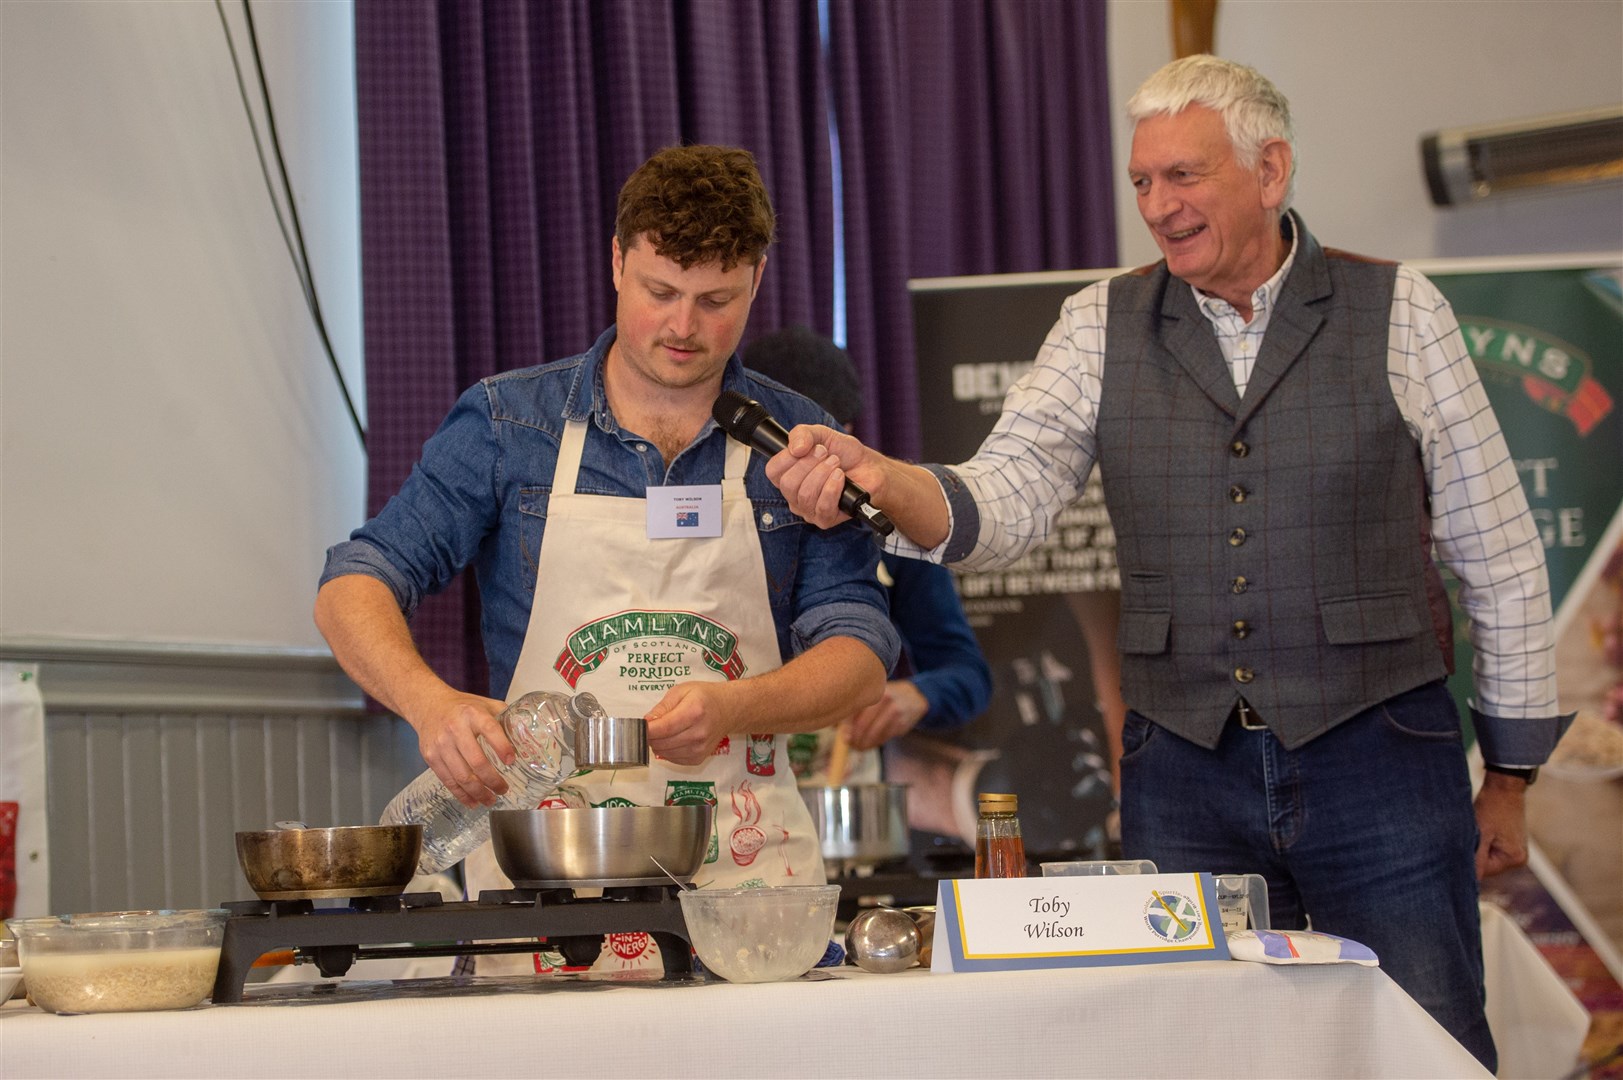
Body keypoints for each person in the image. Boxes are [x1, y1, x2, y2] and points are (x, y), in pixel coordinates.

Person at [764, 56, 1571, 1071]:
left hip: (1382, 763)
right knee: (1207, 1054)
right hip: (1182, 778)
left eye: (1184, 176)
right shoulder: (1098, 324)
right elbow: (1004, 499)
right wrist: (878, 478)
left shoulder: (1402, 312)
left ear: (1271, 169)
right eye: (1142, 182)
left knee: (1428, 1045)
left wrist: (1511, 774)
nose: (1157, 204)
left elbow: (1497, 551)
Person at [315, 146, 900, 967]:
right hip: (548, 871)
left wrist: (735, 709)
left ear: (757, 280)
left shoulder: (797, 441)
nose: (682, 328)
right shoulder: (509, 425)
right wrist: (430, 704)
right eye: (660, 292)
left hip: (740, 866)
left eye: (715, 301)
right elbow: (356, 580)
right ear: (617, 261)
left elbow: (860, 655)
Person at [741, 326, 992, 784]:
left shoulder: (881, 516)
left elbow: (969, 673)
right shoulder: (714, 513)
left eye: (833, 449)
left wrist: (917, 695)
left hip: (845, 790)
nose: (820, 475)